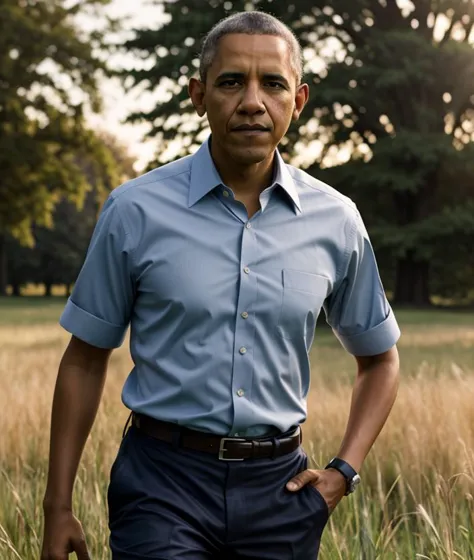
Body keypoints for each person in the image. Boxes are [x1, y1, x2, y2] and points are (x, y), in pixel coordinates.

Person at [40, 10, 400, 560]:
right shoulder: (135, 210)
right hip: (161, 485)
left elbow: (381, 360)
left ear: (297, 102)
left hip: (282, 492)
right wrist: (57, 506)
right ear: (199, 94)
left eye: (272, 84)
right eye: (232, 82)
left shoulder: (337, 220)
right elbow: (85, 358)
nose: (252, 101)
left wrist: (343, 472)